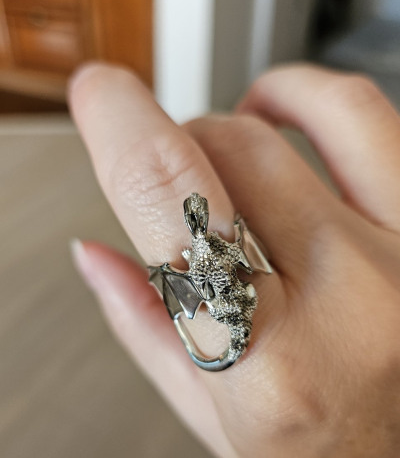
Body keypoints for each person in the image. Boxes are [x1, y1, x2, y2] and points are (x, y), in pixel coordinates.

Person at [69, 62, 400, 457]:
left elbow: (231, 261)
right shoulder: (203, 251)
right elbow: (215, 269)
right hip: (226, 301)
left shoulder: (211, 249)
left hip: (236, 299)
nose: (198, 219)